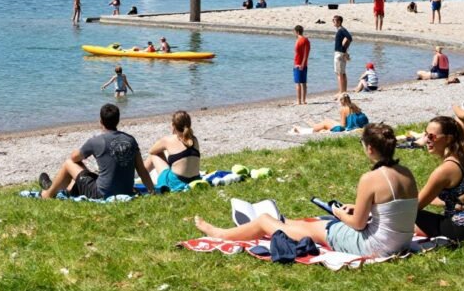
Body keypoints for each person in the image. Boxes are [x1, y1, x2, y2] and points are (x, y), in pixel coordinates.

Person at [194, 124, 418, 259]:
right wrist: (356, 207)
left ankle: (220, 233)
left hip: (375, 246)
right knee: (302, 225)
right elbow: (395, 208)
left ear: (370, 148)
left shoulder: (371, 178)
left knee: (276, 222)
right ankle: (279, 223)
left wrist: (339, 213)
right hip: (400, 241)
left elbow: (358, 225)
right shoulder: (407, 173)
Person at [39, 104, 156, 199]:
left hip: (102, 193)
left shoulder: (96, 141)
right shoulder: (130, 140)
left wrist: (84, 150)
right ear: (118, 120)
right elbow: (142, 170)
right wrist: (152, 191)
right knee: (86, 175)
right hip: (127, 190)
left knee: (69, 163)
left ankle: (47, 195)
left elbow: (74, 158)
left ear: (101, 121)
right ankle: (57, 187)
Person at [414, 116, 464, 241]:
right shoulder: (462, 161)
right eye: (425, 135)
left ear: (448, 139)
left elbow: (415, 207)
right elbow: (456, 199)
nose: (427, 140)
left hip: (458, 229)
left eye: (432, 136)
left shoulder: (445, 170)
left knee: (398, 217)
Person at [144, 111, 201, 192]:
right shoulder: (194, 139)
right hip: (194, 179)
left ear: (173, 125)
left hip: (176, 182)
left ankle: (142, 175)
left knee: (154, 155)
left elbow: (151, 151)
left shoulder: (168, 140)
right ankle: (141, 174)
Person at [333, 15, 353, 95]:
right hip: (341, 53)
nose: (333, 23)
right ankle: (344, 91)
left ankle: (341, 92)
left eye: (334, 21)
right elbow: (349, 38)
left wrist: (344, 47)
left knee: (339, 74)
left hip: (339, 53)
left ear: (339, 22)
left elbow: (349, 38)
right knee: (343, 73)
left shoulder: (341, 30)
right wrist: (344, 49)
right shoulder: (341, 30)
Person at [293, 25, 310, 105]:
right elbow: (306, 53)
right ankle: (303, 100)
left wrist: (301, 64)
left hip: (298, 64)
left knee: (298, 83)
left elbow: (305, 53)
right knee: (303, 83)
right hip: (303, 64)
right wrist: (304, 63)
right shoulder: (306, 40)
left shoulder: (300, 40)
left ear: (297, 32)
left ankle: (299, 101)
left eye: (294, 32)